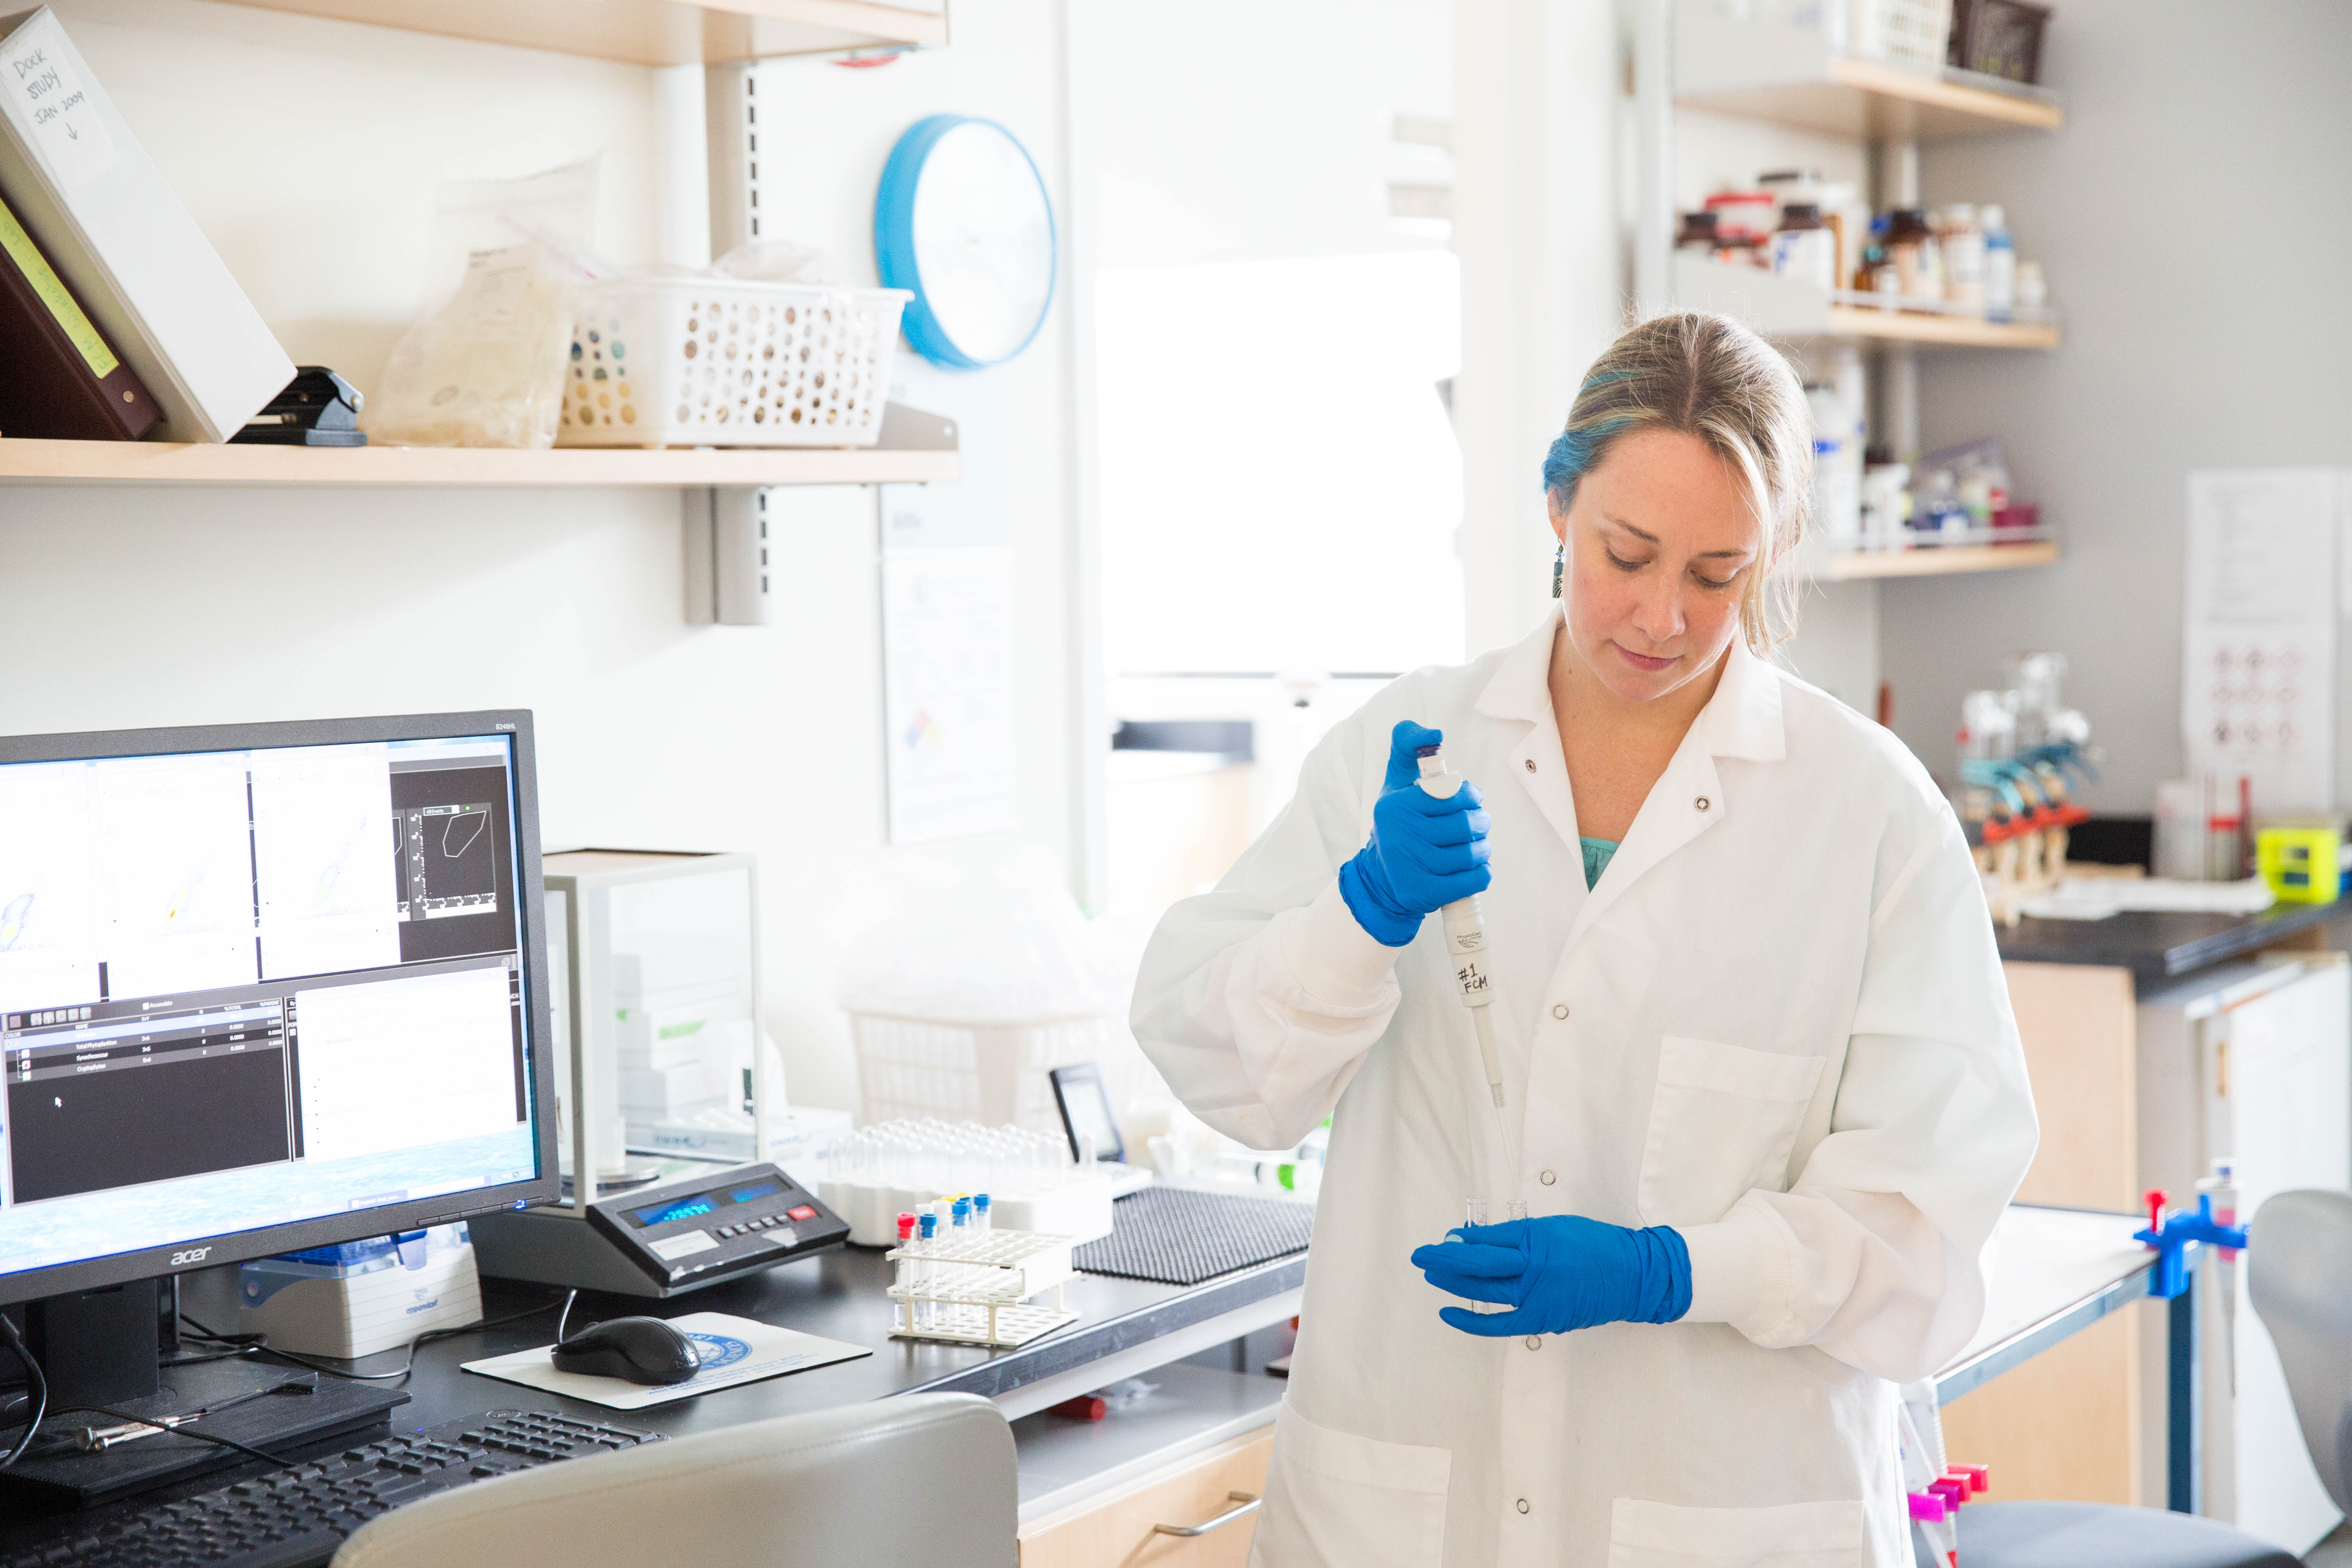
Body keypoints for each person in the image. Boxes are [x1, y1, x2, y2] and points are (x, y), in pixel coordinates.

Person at [1131, 312, 2038, 1567]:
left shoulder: (1867, 811)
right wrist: (1362, 912)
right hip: (1410, 1489)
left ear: (1769, 560)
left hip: (1727, 1504)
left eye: (1718, 575)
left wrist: (1674, 1271)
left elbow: (1921, 1237)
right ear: (1557, 506)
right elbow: (1217, 1068)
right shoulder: (1409, 750)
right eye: (1627, 553)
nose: (1662, 616)